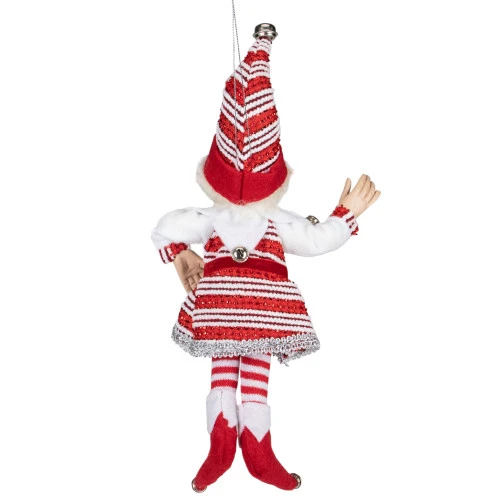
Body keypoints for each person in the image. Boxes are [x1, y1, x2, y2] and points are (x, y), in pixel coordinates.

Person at [151, 29, 380, 492]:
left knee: (222, 372)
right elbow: (317, 240)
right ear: (276, 176)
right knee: (255, 375)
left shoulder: (209, 216)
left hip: (220, 307)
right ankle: (257, 451)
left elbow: (165, 227)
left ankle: (222, 450)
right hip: (265, 308)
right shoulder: (278, 219)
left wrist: (182, 255)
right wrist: (345, 215)